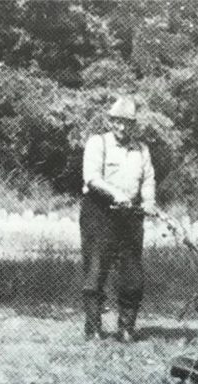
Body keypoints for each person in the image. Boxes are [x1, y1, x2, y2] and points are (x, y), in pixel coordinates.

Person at [81, 96, 155, 342]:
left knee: (132, 275)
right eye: (118, 122)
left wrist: (149, 202)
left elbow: (147, 180)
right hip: (99, 213)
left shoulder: (142, 149)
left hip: (130, 216)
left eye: (127, 123)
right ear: (110, 121)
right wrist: (117, 194)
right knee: (96, 271)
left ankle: (126, 328)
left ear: (133, 124)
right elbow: (92, 177)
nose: (122, 128)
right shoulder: (97, 143)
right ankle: (93, 329)